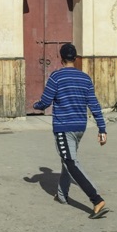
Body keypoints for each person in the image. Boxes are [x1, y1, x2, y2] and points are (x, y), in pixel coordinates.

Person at [32, 43, 109, 219]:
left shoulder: (56, 77)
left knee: (70, 163)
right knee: (67, 160)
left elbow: (45, 102)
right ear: (75, 58)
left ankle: (96, 199)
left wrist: (35, 105)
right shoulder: (85, 78)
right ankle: (61, 194)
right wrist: (101, 128)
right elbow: (94, 104)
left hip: (63, 128)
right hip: (80, 127)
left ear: (60, 58)